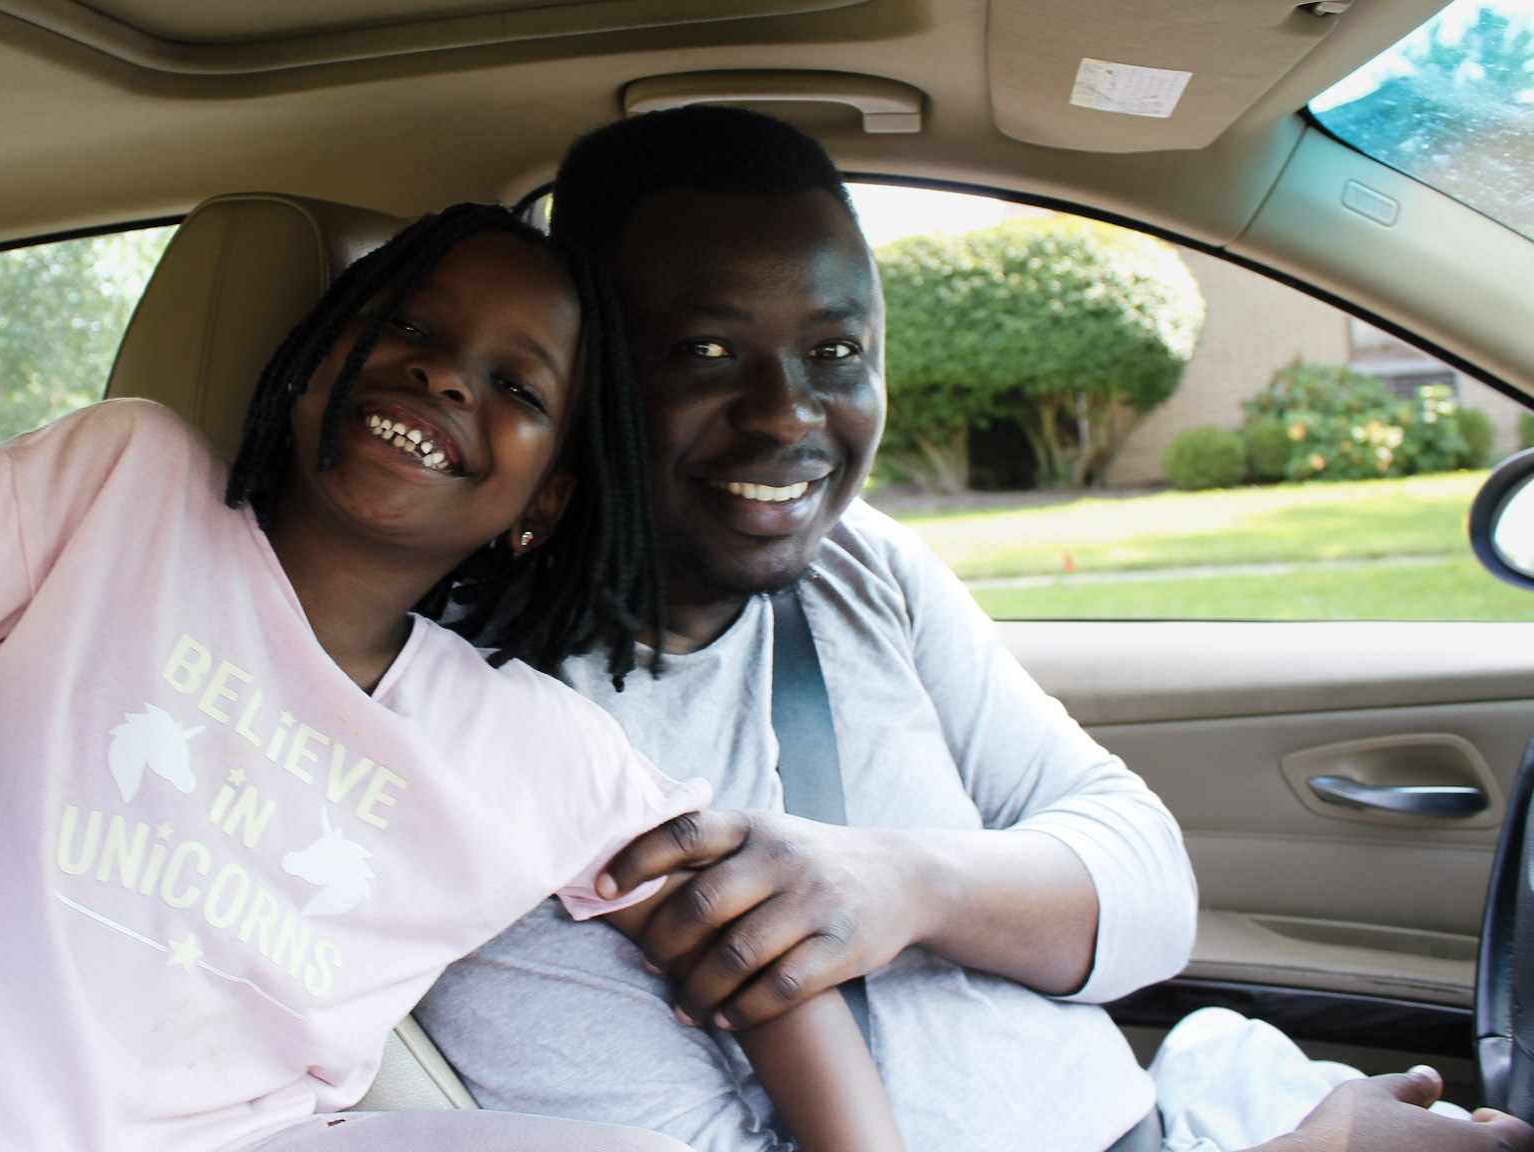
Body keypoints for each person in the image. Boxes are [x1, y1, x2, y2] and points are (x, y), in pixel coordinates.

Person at [0, 204, 897, 1152]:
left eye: (518, 387)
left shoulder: (532, 747)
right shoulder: (123, 486)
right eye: (407, 325)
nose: (445, 377)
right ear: (312, 362)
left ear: (543, 501)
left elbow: (749, 944)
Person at [415, 108, 1534, 1152]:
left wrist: (907, 887)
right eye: (703, 352)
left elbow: (1145, 885)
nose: (789, 414)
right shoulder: (477, 726)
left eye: (835, 352)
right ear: (584, 363)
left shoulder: (863, 570)